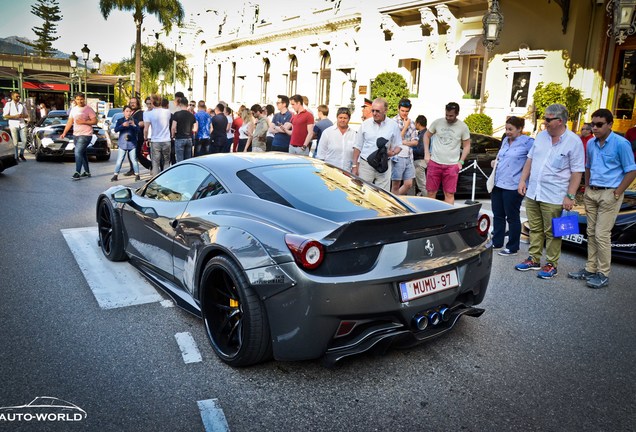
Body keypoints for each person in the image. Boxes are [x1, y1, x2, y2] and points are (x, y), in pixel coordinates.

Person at [567, 109, 636, 288]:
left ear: (610, 125)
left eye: (599, 125)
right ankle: (590, 268)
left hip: (610, 193)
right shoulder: (591, 143)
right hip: (592, 192)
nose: (595, 128)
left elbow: (632, 170)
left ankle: (603, 273)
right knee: (590, 232)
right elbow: (588, 166)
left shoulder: (621, 143)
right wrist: (588, 187)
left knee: (601, 234)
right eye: (593, 124)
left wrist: (617, 192)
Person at [515, 104, 585, 279]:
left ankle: (551, 265)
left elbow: (577, 171)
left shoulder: (573, 141)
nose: (544, 122)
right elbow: (530, 159)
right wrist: (523, 180)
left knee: (554, 232)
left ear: (559, 121)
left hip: (554, 195)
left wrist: (570, 195)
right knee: (535, 228)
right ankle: (534, 258)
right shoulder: (540, 137)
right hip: (534, 192)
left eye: (547, 119)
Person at [490, 116, 534, 256]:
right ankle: (497, 242)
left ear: (520, 129)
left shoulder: (528, 142)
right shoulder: (505, 140)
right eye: (506, 128)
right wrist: (495, 162)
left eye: (511, 129)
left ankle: (512, 246)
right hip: (498, 182)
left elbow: (532, 161)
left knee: (512, 216)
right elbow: (501, 157)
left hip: (514, 185)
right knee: (498, 215)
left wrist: (524, 181)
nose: (507, 132)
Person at [424, 101, 471, 204]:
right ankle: (429, 218)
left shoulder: (463, 127)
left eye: (451, 116)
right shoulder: (437, 122)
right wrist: (426, 153)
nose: (448, 118)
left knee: (449, 194)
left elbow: (467, 145)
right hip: (435, 162)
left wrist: (461, 162)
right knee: (431, 192)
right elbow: (426, 136)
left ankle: (449, 219)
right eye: (446, 115)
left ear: (457, 114)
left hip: (452, 165)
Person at [351, 97, 402, 190]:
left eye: (377, 111)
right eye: (373, 110)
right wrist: (354, 166)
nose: (374, 113)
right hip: (366, 165)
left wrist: (393, 153)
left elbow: (399, 145)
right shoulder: (365, 124)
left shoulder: (393, 125)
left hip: (383, 165)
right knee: (363, 193)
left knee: (382, 195)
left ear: (385, 110)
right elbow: (357, 146)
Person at [61, 93, 97, 180]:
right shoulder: (73, 110)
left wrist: (84, 122)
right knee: (82, 153)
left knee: (77, 152)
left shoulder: (88, 109)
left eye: (81, 99)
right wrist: (64, 132)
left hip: (86, 134)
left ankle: (77, 172)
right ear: (75, 100)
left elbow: (95, 121)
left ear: (84, 99)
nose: (80, 101)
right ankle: (87, 172)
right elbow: (70, 122)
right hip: (76, 134)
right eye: (78, 99)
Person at [391, 98, 418, 195]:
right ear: (398, 109)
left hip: (409, 157)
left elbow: (415, 142)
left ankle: (396, 199)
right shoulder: (393, 121)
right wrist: (405, 126)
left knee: (408, 184)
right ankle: (393, 203)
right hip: (397, 157)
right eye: (402, 110)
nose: (404, 113)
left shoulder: (412, 122)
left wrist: (405, 142)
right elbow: (396, 140)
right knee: (395, 184)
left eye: (406, 111)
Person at [316, 107, 356, 171]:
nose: (342, 120)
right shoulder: (327, 132)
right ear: (337, 118)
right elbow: (320, 154)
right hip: (330, 172)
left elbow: (356, 155)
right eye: (340, 118)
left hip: (347, 173)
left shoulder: (354, 134)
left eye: (345, 118)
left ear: (349, 119)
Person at [143, 94, 172, 176]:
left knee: (155, 162)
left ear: (152, 102)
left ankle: (155, 181)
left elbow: (146, 129)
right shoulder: (167, 112)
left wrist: (145, 138)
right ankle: (166, 178)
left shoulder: (148, 114)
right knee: (166, 161)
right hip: (166, 139)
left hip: (155, 140)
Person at [111, 105, 140, 181]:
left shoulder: (134, 120)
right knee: (119, 160)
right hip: (122, 143)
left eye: (130, 111)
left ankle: (137, 174)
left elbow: (138, 130)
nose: (128, 113)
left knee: (133, 159)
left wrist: (134, 125)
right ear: (123, 112)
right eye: (127, 111)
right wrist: (122, 125)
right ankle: (115, 175)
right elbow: (116, 130)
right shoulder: (120, 120)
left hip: (132, 144)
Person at [2, 91, 29, 161]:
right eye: (17, 96)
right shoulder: (9, 104)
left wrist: (22, 115)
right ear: (12, 96)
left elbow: (27, 115)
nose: (18, 98)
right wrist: (14, 116)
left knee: (25, 140)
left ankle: (21, 154)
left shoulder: (22, 104)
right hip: (13, 124)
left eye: (19, 96)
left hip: (22, 124)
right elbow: (5, 115)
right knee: (15, 142)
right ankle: (16, 156)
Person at [171, 97, 196, 162]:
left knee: (179, 160)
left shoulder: (176, 114)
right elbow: (195, 128)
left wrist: (173, 135)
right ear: (187, 105)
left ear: (180, 104)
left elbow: (173, 127)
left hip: (179, 138)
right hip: (189, 138)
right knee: (187, 160)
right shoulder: (192, 115)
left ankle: (180, 172)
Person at [412, 115, 427, 195]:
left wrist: (411, 149)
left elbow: (421, 150)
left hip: (420, 161)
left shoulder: (423, 135)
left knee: (422, 186)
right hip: (423, 161)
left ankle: (429, 202)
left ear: (418, 123)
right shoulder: (425, 133)